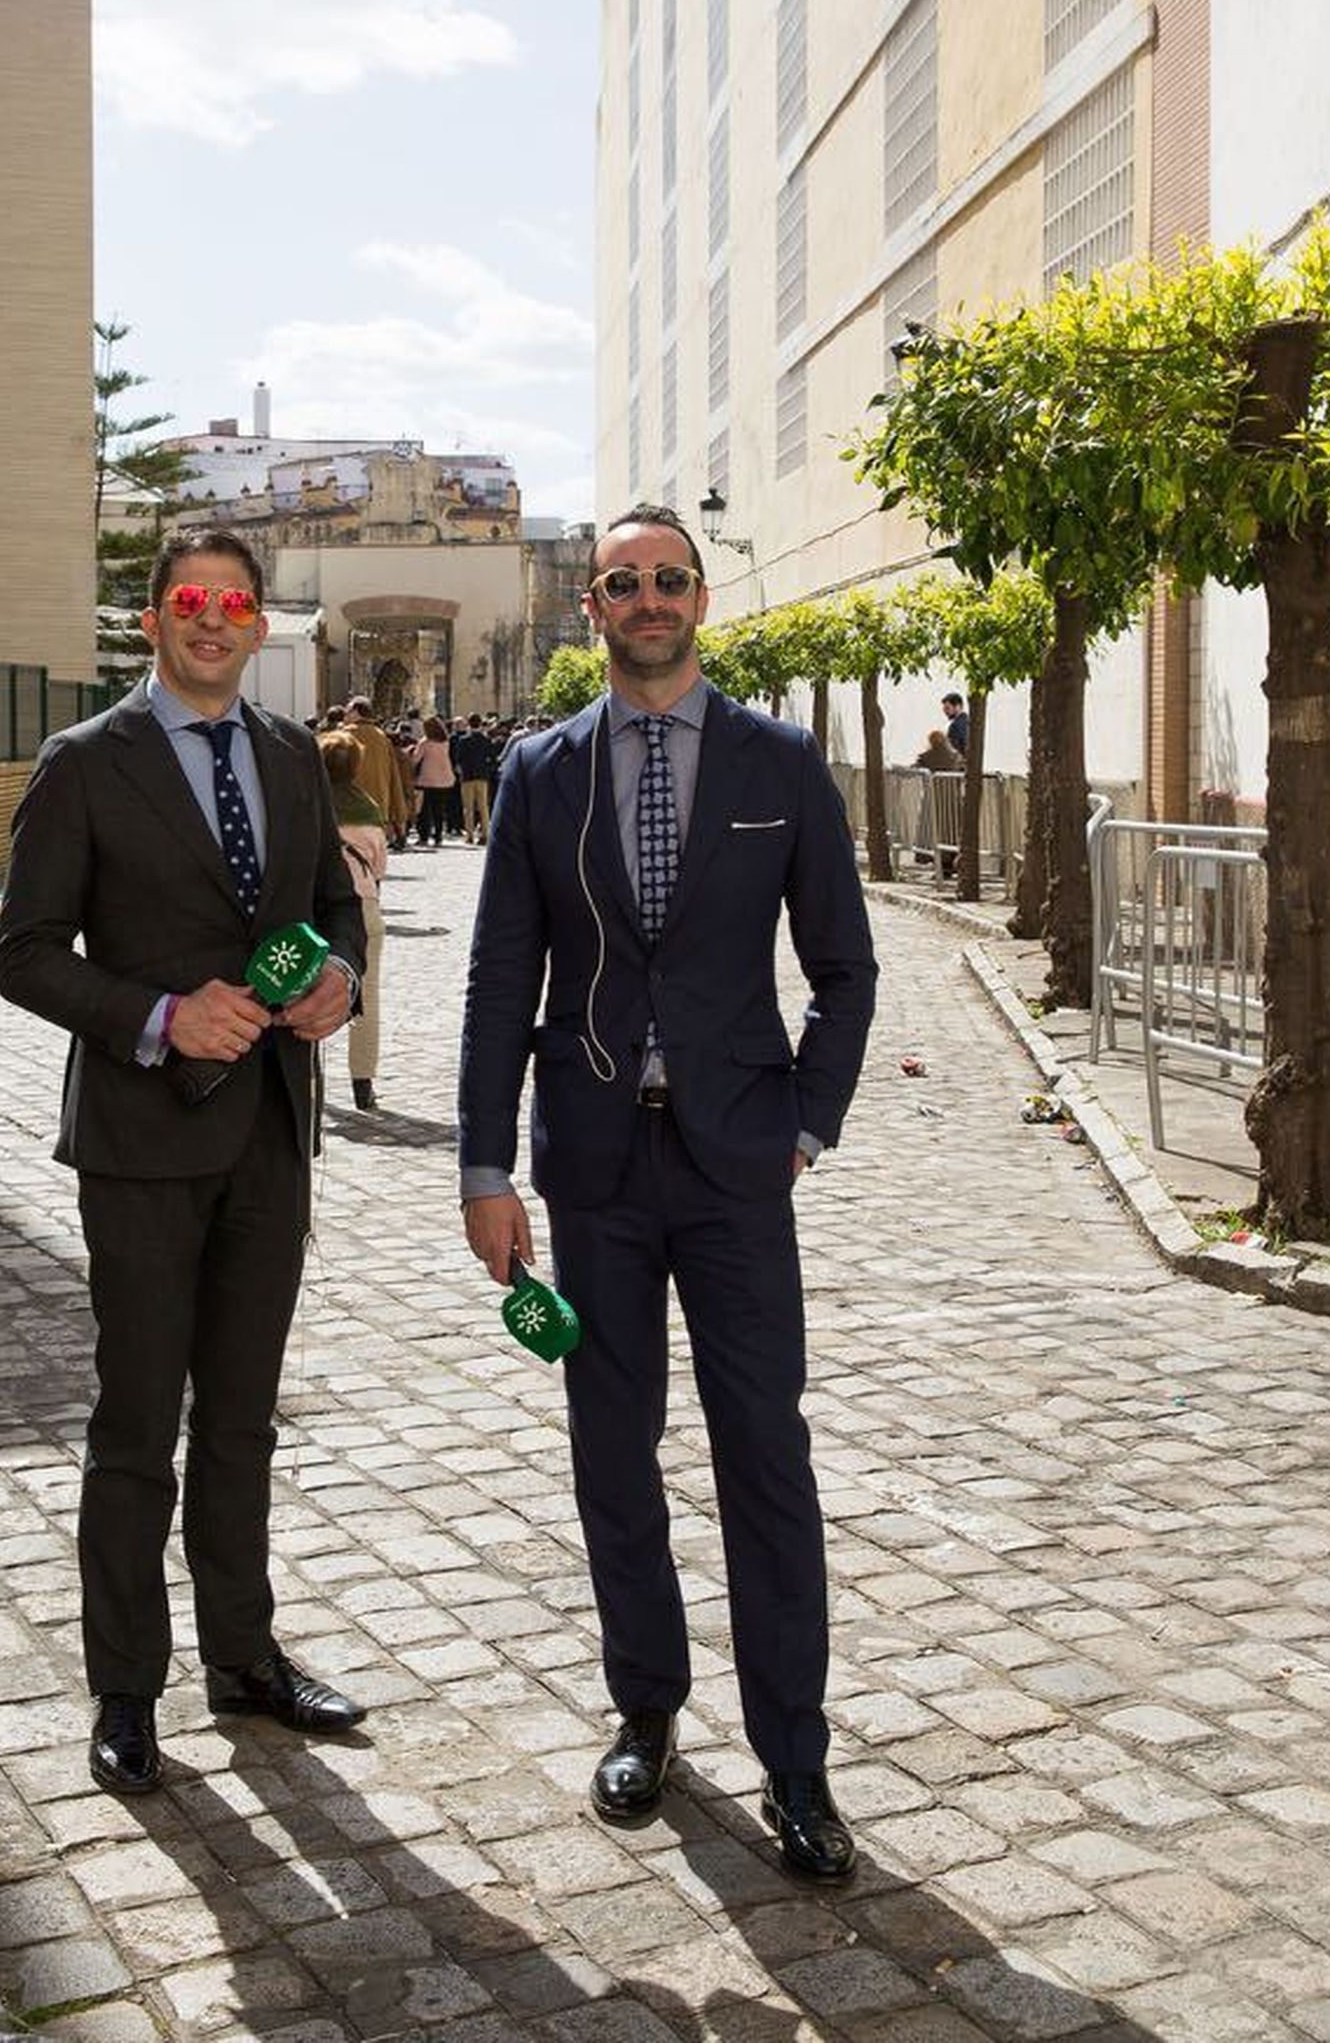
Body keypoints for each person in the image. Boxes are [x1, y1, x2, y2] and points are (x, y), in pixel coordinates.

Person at [458, 504, 876, 1883]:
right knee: (610, 1444)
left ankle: (797, 1758)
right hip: (593, 1167)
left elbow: (846, 966)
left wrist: (806, 1121)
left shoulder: (780, 761)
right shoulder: (541, 770)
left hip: (737, 1166)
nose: (648, 597)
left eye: (669, 578)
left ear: (702, 597)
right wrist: (484, 1162)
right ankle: (647, 1703)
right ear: (594, 605)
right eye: (623, 580)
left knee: (767, 1450)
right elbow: (496, 979)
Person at [0, 528, 369, 1797]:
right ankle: (125, 1686)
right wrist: (158, 1018)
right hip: (144, 1140)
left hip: (270, 1127)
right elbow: (27, 951)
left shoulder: (287, 755)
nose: (213, 620)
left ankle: (244, 1654)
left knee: (246, 1420)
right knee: (138, 1418)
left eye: (235, 603)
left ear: (262, 624)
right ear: (153, 620)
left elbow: (328, 902)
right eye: (189, 601)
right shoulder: (85, 763)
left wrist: (337, 974)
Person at [319, 729, 388, 1113]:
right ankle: (363, 1083)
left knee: (300, 995)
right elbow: (379, 867)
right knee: (367, 996)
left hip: (314, 911)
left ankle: (310, 1088)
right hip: (363, 907)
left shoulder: (307, 805)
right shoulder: (368, 810)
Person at [340, 697, 409, 848]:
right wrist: (397, 811)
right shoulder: (381, 736)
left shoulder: (344, 735)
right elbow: (393, 775)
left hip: (350, 802)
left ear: (356, 712)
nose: (345, 714)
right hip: (379, 804)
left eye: (348, 710)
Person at [411, 715, 457, 846]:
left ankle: (423, 836)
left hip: (427, 779)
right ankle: (438, 836)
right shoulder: (445, 742)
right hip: (444, 779)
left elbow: (415, 759)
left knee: (424, 810)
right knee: (438, 810)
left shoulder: (425, 742)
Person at [452, 713, 495, 845]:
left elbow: (458, 759)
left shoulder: (463, 740)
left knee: (468, 807)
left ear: (469, 724)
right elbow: (492, 758)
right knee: (483, 806)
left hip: (467, 776)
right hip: (482, 776)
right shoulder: (486, 740)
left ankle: (469, 835)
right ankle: (485, 834)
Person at [941, 691, 970, 757]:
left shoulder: (956, 726)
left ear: (958, 706)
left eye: (947, 708)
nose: (945, 712)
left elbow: (953, 750)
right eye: (944, 709)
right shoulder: (967, 721)